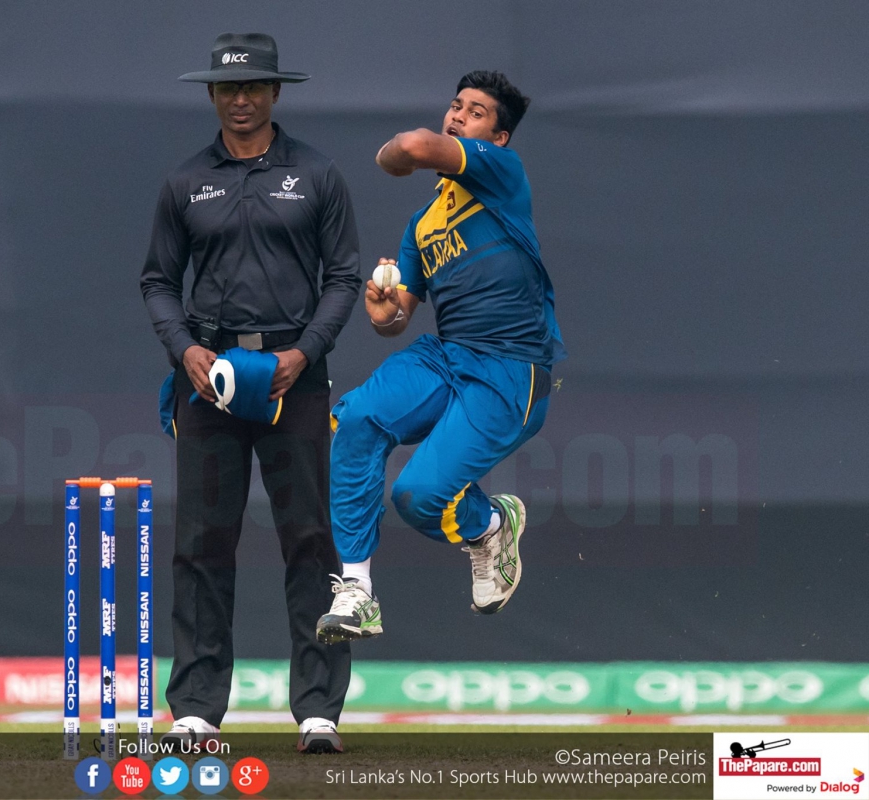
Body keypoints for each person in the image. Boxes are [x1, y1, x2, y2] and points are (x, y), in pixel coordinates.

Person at [140, 33, 361, 753]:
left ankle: (319, 711)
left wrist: (304, 353)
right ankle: (197, 708)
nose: (241, 100)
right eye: (229, 89)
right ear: (211, 94)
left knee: (312, 538)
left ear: (275, 92)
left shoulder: (317, 174)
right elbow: (158, 281)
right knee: (202, 540)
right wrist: (185, 350)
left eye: (254, 88)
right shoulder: (184, 182)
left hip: (296, 376)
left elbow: (344, 278)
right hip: (209, 379)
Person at [316, 71, 566, 644]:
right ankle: (357, 591)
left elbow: (409, 147)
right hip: (447, 357)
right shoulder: (422, 224)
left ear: (497, 138)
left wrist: (398, 156)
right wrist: (384, 311)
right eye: (456, 105)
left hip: (509, 368)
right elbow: (396, 318)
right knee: (356, 419)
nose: (458, 115)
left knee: (419, 499)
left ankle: (492, 524)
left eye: (476, 112)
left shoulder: (501, 172)